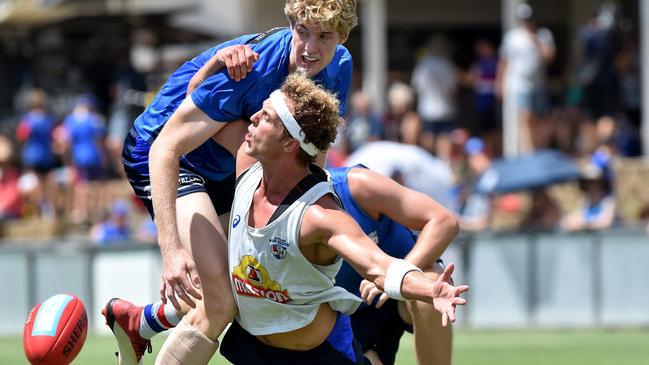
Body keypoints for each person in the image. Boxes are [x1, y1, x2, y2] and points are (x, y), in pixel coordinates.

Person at [102, 1, 358, 364]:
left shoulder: (340, 67)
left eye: (324, 36)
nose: (309, 48)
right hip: (163, 153)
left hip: (224, 166)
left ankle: (139, 322)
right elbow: (166, 148)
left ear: (343, 37)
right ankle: (141, 322)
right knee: (221, 302)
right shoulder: (249, 67)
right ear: (289, 25)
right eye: (301, 32)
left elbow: (308, 156)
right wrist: (171, 251)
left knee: (245, 289)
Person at [218, 71, 467, 365]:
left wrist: (430, 289)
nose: (254, 118)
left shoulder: (327, 210)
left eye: (267, 117)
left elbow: (380, 265)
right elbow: (190, 116)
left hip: (355, 321)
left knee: (427, 295)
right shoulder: (247, 163)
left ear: (290, 143)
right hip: (265, 339)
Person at [329, 164, 459, 365]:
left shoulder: (356, 184)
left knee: (431, 283)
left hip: (399, 294)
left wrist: (394, 277)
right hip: (344, 310)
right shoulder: (282, 206)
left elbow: (444, 221)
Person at [497, 3, 555, 154]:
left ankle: (537, 149)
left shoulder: (543, 35)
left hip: (539, 85)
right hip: (519, 85)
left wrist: (535, 40)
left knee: (540, 120)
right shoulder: (512, 38)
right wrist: (499, 84)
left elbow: (549, 57)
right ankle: (528, 152)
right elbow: (504, 63)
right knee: (525, 117)